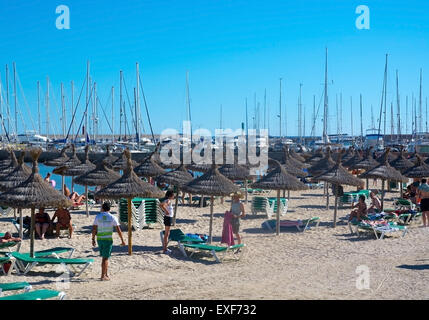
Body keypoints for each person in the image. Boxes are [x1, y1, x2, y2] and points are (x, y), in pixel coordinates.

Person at [92, 202, 125, 281]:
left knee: (104, 257)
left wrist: (93, 239)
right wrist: (122, 240)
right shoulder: (112, 217)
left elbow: (94, 229)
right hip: (108, 239)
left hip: (100, 239)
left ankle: (105, 274)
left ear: (102, 208)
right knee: (105, 258)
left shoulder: (98, 217)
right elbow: (118, 230)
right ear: (109, 209)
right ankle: (103, 276)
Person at [160, 190, 175, 254]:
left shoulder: (167, 200)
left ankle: (165, 248)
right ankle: (165, 249)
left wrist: (166, 211)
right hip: (168, 218)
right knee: (166, 234)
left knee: (167, 234)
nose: (174, 196)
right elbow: (161, 205)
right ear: (170, 195)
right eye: (173, 195)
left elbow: (161, 205)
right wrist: (166, 211)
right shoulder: (168, 201)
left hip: (168, 217)